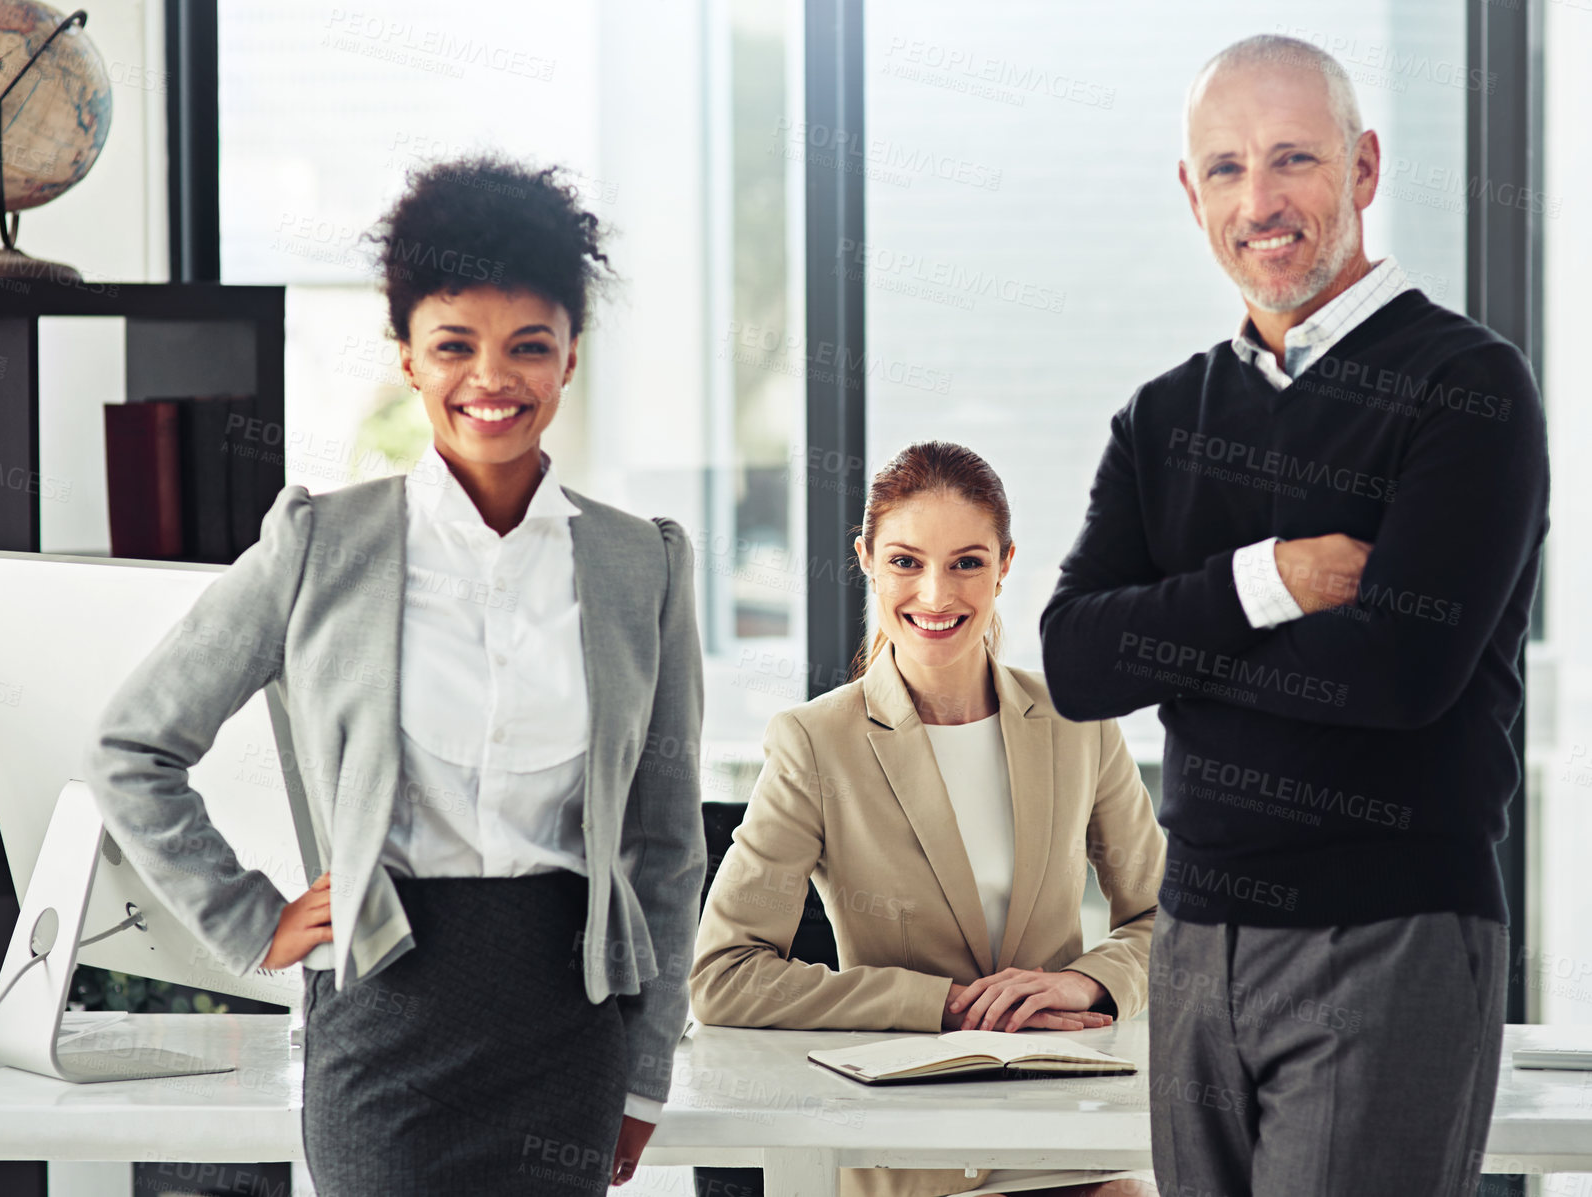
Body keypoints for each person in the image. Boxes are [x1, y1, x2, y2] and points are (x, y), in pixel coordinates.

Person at [86, 154, 708, 1195]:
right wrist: (250, 919)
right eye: (453, 345)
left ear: (568, 360)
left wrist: (643, 1078)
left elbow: (664, 845)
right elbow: (132, 747)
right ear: (409, 358)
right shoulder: (321, 546)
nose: (491, 379)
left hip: (570, 1036)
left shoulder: (641, 564)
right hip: (385, 1029)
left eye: (529, 347)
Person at [1039, 34, 1549, 1197]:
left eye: (1291, 160)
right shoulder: (1161, 416)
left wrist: (1166, 647)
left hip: (1388, 934)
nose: (1257, 203)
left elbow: (1397, 675)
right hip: (1193, 942)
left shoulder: (1466, 388)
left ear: (1363, 167)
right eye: (1223, 169)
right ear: (1189, 193)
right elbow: (1072, 661)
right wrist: (1264, 580)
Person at [691, 441, 1164, 1197]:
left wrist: (1088, 982)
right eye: (906, 561)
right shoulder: (816, 742)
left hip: (1061, 1143)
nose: (936, 593)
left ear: (1005, 564)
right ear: (867, 561)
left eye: (966, 562)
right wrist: (937, 1005)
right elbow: (725, 977)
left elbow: (1172, 921)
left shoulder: (1080, 723)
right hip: (904, 1154)